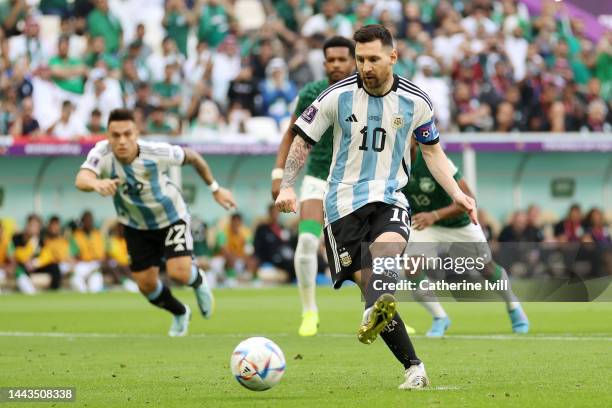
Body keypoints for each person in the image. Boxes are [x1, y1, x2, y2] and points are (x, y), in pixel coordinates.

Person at [275, 25, 477, 389]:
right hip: (340, 207)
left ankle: (377, 307)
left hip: (389, 196)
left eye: (373, 59)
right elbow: (302, 140)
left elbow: (433, 153)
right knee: (371, 288)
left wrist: (457, 193)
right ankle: (413, 366)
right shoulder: (336, 96)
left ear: (392, 57)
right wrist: (287, 185)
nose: (365, 66)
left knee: (386, 251)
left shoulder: (417, 101)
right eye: (360, 59)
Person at [75, 108, 236, 336]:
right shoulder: (101, 152)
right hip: (135, 225)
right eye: (115, 135)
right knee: (146, 286)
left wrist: (216, 189)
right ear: (108, 136)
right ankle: (180, 312)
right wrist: (96, 184)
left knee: (178, 273)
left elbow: (193, 157)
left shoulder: (156, 151)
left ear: (137, 133)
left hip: (171, 217)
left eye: (127, 134)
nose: (121, 141)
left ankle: (198, 281)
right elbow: (81, 178)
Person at [272, 35, 356, 337]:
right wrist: (279, 177)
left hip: (355, 182)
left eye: (341, 59)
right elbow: (291, 135)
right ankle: (309, 312)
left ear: (353, 61)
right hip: (318, 178)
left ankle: (379, 311)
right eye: (330, 60)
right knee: (307, 241)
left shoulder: (368, 91)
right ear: (324, 63)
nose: (335, 65)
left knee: (369, 252)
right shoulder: (312, 92)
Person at [402, 141, 529, 336]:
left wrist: (434, 215)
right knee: (411, 268)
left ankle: (513, 306)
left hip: (458, 224)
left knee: (486, 268)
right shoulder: (393, 163)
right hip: (424, 224)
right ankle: (440, 317)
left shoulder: (435, 158)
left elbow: (469, 198)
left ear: (415, 139)